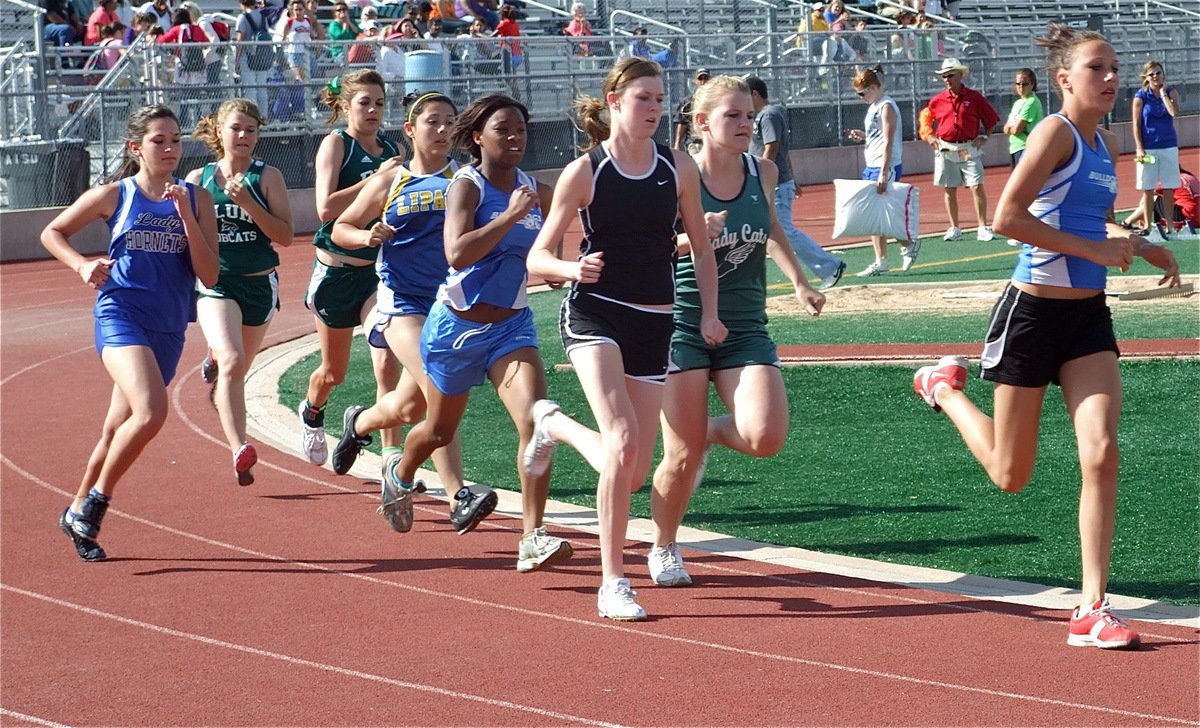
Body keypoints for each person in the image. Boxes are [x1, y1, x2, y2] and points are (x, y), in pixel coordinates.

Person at [914, 23, 1180, 651]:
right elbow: (1007, 216)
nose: (1110, 77)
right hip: (1031, 315)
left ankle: (1093, 606)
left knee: (1102, 450)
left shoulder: (1105, 140)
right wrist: (1094, 246)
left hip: (1088, 319)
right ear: (1065, 79)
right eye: (1097, 68)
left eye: (1114, 67)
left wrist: (1138, 245)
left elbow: (1088, 218)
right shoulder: (1054, 131)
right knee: (1010, 475)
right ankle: (944, 389)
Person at [525, 57, 727, 621]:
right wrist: (572, 271)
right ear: (615, 101)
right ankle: (614, 580)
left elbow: (701, 248)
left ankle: (553, 424)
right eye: (644, 98)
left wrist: (708, 313)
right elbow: (539, 254)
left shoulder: (678, 167)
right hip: (596, 314)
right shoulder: (585, 171)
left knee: (632, 467)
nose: (655, 109)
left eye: (661, 100)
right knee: (620, 440)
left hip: (655, 319)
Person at [352, 94, 575, 572]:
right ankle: (401, 471)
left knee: (536, 425)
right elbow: (456, 253)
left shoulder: (539, 188)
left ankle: (533, 536)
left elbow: (550, 242)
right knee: (436, 429)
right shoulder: (465, 186)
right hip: (455, 328)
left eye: (521, 130)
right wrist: (510, 217)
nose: (515, 139)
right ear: (478, 136)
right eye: (503, 130)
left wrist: (555, 264)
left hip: (511, 327)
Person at [649, 76, 825, 587]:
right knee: (678, 459)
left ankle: (709, 431)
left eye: (749, 115)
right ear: (702, 124)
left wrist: (799, 282)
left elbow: (770, 228)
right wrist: (691, 237)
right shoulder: (678, 177)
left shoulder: (762, 171)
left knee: (765, 436)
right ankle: (663, 545)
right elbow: (648, 248)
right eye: (733, 116)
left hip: (746, 326)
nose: (746, 123)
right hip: (681, 324)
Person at [40, 104, 219, 561]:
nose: (170, 148)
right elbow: (52, 233)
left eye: (176, 140)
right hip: (120, 314)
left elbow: (210, 275)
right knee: (151, 412)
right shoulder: (114, 195)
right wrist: (81, 264)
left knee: (115, 428)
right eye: (159, 141)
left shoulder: (198, 200)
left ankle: (76, 510)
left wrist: (186, 217)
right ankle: (98, 501)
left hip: (169, 325)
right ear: (136, 147)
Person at [324, 92, 476, 537]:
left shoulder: (464, 179)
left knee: (409, 405)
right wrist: (367, 235)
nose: (444, 129)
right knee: (439, 389)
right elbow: (340, 226)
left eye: (451, 121)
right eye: (433, 121)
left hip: (446, 303)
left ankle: (360, 422)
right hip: (400, 303)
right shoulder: (393, 177)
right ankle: (458, 496)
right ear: (410, 130)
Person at [298, 70, 405, 467]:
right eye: (365, 102)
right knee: (333, 372)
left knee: (387, 355)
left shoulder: (391, 148)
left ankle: (391, 455)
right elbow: (325, 210)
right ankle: (313, 411)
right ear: (346, 106)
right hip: (335, 274)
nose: (374, 110)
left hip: (375, 273)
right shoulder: (336, 144)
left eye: (380, 102)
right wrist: (376, 180)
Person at [187, 99, 294, 486]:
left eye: (251, 129)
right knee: (233, 362)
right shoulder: (199, 179)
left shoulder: (268, 177)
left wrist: (248, 203)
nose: (244, 136)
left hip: (259, 285)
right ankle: (239, 447)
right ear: (219, 131)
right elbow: (190, 236)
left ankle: (216, 354)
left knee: (238, 369)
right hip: (217, 284)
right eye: (236, 128)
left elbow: (285, 237)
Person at [746, 76, 845, 290]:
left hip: (775, 184)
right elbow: (784, 150)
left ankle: (829, 266)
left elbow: (772, 147)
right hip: (777, 181)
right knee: (762, 232)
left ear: (754, 94)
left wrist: (761, 177)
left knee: (784, 232)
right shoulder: (763, 115)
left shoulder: (768, 114)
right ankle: (753, 280)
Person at [845, 66, 917, 277]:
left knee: (884, 213)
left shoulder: (886, 106)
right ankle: (881, 261)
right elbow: (877, 137)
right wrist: (863, 136)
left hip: (884, 165)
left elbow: (888, 141)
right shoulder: (873, 106)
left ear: (874, 87)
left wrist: (884, 172)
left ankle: (907, 243)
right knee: (872, 214)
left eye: (863, 92)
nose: (861, 97)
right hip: (872, 164)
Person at [924, 57, 1000, 242]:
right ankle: (954, 227)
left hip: (968, 147)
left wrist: (985, 137)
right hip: (946, 148)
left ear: (960, 75)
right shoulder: (937, 101)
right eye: (944, 76)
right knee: (949, 188)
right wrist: (929, 135)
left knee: (976, 184)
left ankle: (982, 226)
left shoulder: (975, 97)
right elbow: (925, 120)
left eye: (950, 75)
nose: (947, 79)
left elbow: (991, 120)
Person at [1128, 60, 1181, 239]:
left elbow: (1174, 112)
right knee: (1148, 187)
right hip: (1148, 147)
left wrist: (1164, 94)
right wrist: (1139, 148)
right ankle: (1148, 225)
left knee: (1168, 187)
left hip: (1168, 145)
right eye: (1152, 74)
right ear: (1146, 77)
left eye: (1158, 73)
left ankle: (1170, 225)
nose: (1156, 76)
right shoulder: (1140, 96)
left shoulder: (1171, 92)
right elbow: (1136, 124)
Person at [1003, 67, 1044, 169]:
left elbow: (1016, 129)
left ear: (1032, 84)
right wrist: (1013, 128)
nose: (1021, 87)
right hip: (1014, 147)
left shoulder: (1032, 101)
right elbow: (1005, 129)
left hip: (1026, 147)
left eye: (1024, 84)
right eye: (1018, 84)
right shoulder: (1018, 103)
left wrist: (1012, 128)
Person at [672, 67, 709, 152]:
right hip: (695, 142)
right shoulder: (688, 102)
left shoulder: (715, 100)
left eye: (705, 78)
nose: (703, 81)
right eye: (700, 78)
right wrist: (677, 144)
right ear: (695, 81)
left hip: (711, 142)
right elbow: (682, 123)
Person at [493, 3, 522, 72]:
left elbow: (493, 34)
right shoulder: (515, 23)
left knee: (507, 75)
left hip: (509, 53)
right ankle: (513, 82)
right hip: (518, 54)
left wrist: (479, 35)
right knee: (513, 73)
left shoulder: (505, 23)